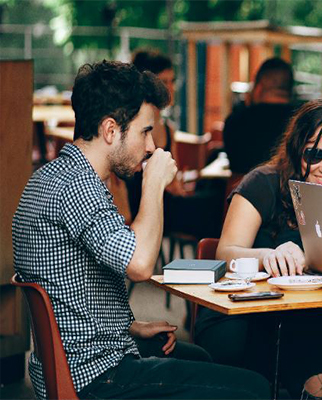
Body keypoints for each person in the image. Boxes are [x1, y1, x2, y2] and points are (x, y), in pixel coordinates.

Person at [12, 60, 270, 399]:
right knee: (254, 388)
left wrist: (129, 328)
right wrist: (154, 184)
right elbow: (140, 265)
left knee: (199, 357)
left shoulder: (51, 177)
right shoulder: (77, 187)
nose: (150, 146)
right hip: (95, 378)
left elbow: (69, 289)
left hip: (76, 365)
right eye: (145, 131)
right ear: (110, 130)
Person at [195, 99, 322, 399]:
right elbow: (225, 253)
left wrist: (316, 255)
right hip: (246, 313)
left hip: (311, 316)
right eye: (314, 155)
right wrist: (268, 256)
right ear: (296, 148)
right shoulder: (262, 182)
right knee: (249, 382)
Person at [127, 49, 223, 239]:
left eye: (172, 81)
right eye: (163, 82)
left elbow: (175, 180)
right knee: (217, 203)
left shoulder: (168, 130)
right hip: (145, 204)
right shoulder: (131, 127)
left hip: (168, 201)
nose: (169, 88)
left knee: (217, 193)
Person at [223, 57, 296, 174]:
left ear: (258, 87)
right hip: (286, 191)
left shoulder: (235, 121)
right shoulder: (301, 122)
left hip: (242, 190)